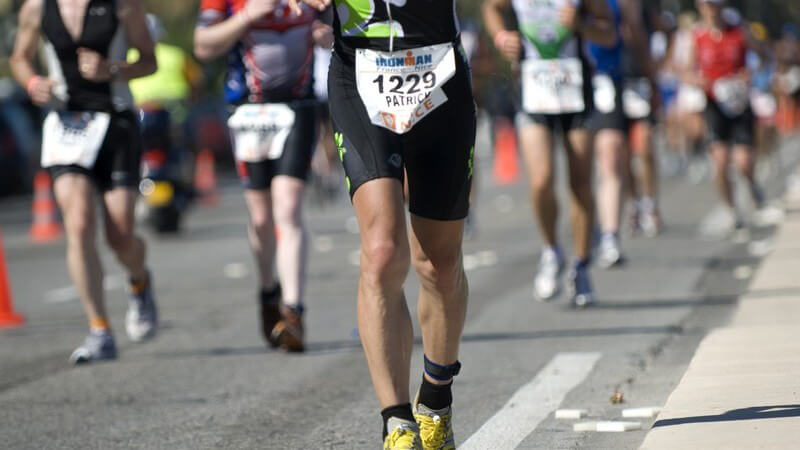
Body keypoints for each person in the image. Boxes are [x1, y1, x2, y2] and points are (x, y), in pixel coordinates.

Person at [288, 0, 475, 447]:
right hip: (360, 73)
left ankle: (435, 398)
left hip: (439, 73)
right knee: (382, 251)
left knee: (439, 264)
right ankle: (396, 423)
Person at [10, 0, 158, 363]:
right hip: (65, 126)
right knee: (78, 224)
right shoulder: (36, 8)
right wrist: (32, 83)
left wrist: (113, 68)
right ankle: (99, 329)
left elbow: (150, 61)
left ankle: (139, 281)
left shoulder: (123, 6)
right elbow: (19, 57)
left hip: (116, 122)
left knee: (120, 234)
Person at [194, 0, 333, 353]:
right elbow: (203, 45)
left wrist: (327, 31)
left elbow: (341, 26)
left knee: (288, 208)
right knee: (260, 218)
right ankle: (268, 290)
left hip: (298, 107)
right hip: (248, 111)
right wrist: (246, 17)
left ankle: (294, 312)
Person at [483, 0, 616, 306]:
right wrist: (502, 37)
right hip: (533, 89)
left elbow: (609, 33)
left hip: (575, 89)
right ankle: (552, 249)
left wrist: (583, 26)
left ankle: (581, 265)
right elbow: (491, 7)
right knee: (541, 180)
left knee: (580, 182)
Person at [586, 0, 661, 268]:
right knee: (605, 156)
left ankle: (644, 205)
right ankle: (604, 231)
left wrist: (652, 80)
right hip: (587, 79)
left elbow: (636, 35)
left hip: (622, 78)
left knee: (635, 148)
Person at [686, 0, 764, 230]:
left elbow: (762, 57)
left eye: (715, 4)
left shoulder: (739, 31)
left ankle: (751, 184)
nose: (711, 9)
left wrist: (750, 73)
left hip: (740, 102)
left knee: (743, 161)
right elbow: (687, 70)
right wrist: (697, 81)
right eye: (707, 4)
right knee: (720, 162)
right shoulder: (697, 36)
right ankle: (731, 209)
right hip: (714, 104)